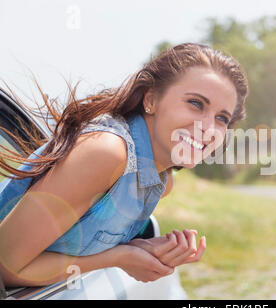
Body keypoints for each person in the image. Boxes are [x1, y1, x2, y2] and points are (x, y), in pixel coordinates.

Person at [0, 43, 249, 287]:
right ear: (150, 99)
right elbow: (6, 268)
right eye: (196, 103)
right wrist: (121, 257)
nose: (207, 129)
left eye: (221, 118)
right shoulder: (105, 152)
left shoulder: (162, 183)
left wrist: (140, 248)